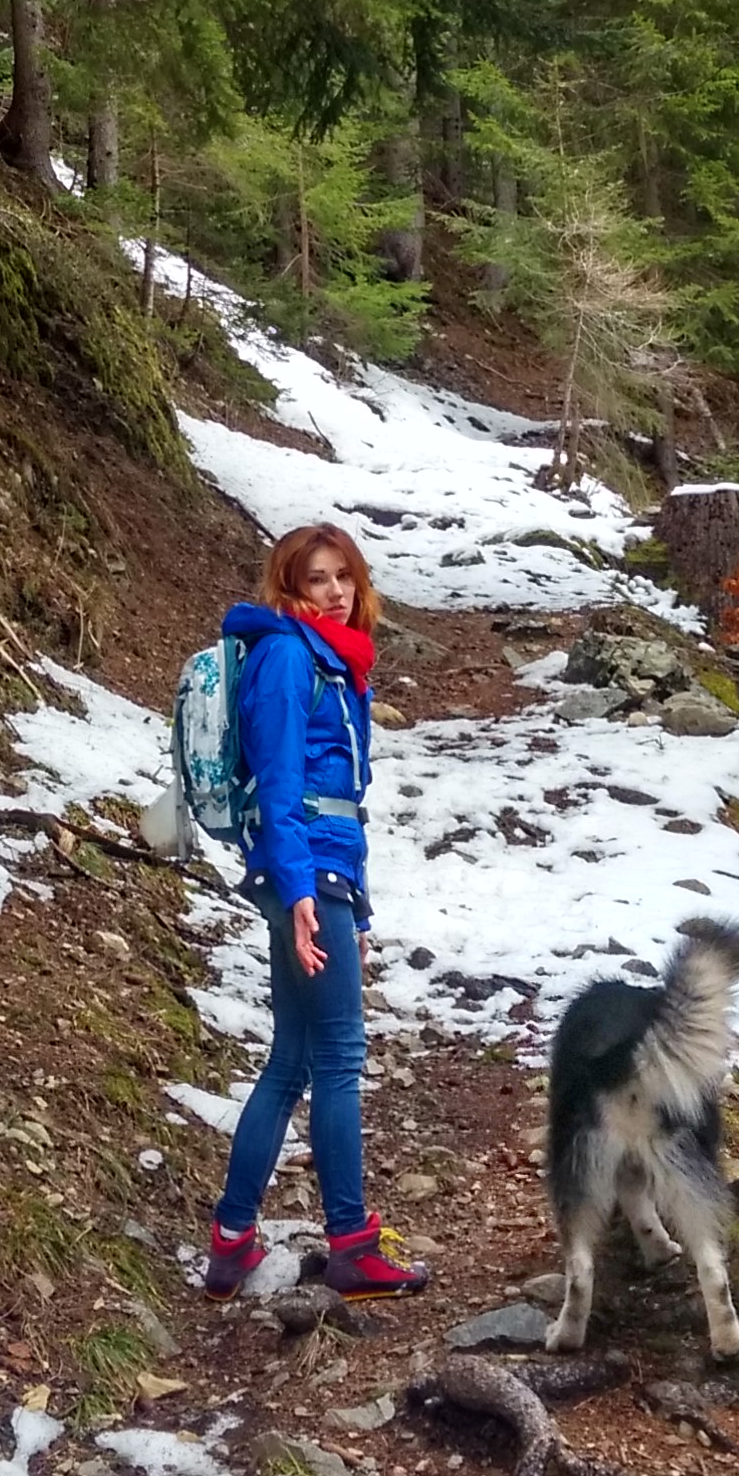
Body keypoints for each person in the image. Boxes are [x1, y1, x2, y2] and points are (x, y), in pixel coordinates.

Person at [201, 522, 427, 1298]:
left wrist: (352, 914)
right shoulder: (290, 657)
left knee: (293, 1059)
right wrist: (303, 893)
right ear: (289, 587)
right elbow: (280, 783)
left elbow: (343, 802)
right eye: (317, 578)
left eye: (344, 576)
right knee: (336, 1057)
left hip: (323, 874)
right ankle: (353, 1243)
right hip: (302, 873)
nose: (334, 591)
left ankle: (231, 1242)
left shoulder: (335, 660)